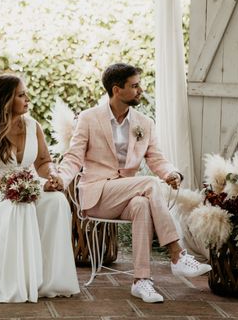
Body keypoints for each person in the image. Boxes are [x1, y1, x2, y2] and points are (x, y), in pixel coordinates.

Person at [48, 63, 211, 303]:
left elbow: (156, 158)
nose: (140, 90)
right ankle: (177, 254)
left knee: (141, 205)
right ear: (117, 90)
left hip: (125, 195)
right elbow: (73, 157)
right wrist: (61, 179)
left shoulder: (144, 123)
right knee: (150, 184)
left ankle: (141, 280)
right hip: (97, 195)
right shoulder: (89, 118)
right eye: (134, 86)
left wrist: (170, 173)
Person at [0, 73, 80, 303]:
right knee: (18, 206)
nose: (27, 98)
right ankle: (15, 284)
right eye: (21, 95)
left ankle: (49, 281)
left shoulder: (32, 126)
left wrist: (53, 176)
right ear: (6, 100)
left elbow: (42, 162)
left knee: (57, 201)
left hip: (27, 185)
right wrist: (11, 188)